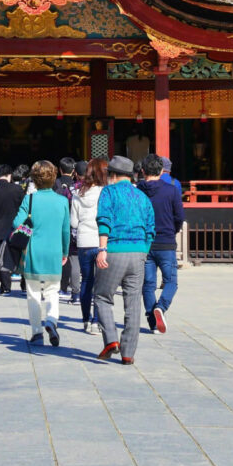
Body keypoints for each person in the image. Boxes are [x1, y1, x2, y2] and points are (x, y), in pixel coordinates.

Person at [93, 156, 155, 365]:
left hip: (115, 249)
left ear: (112, 175)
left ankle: (111, 339)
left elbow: (104, 220)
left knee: (102, 297)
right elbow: (151, 229)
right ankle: (128, 353)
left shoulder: (108, 192)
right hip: (138, 253)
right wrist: (143, 251)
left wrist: (102, 249)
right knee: (133, 302)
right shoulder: (142, 197)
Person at [17, 161, 71, 346]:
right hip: (54, 251)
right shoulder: (63, 201)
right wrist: (65, 251)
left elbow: (17, 222)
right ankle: (51, 321)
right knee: (53, 291)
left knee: (33, 293)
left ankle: (37, 332)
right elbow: (66, 231)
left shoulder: (29, 199)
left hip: (33, 251)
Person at [140, 154, 185, 334]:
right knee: (171, 281)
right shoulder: (172, 190)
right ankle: (161, 307)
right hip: (166, 242)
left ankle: (153, 322)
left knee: (148, 284)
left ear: (143, 171)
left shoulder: (138, 190)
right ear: (161, 171)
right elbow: (179, 216)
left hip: (145, 243)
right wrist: (172, 231)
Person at [72, 159, 106, 334]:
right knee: (100, 284)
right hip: (100, 241)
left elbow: (73, 222)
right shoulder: (104, 193)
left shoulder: (78, 193)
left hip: (84, 240)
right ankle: (96, 321)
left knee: (86, 280)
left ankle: (85, 319)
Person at [0, 164, 24, 293]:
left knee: (1, 258)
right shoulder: (17, 189)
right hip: (17, 228)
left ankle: (5, 287)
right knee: (21, 256)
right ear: (9, 175)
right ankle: (24, 285)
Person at [55, 157, 79, 300]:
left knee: (61, 255)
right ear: (73, 171)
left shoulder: (55, 184)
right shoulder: (76, 186)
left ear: (60, 169)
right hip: (74, 224)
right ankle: (71, 285)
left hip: (59, 224)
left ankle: (61, 286)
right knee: (72, 257)